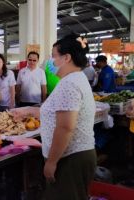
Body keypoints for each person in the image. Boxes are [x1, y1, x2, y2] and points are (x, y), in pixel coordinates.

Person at [40, 34, 96, 199]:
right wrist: (30, 110)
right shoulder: (76, 78)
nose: (51, 61)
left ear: (66, 58)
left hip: (69, 158)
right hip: (73, 156)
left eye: (53, 56)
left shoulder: (69, 84)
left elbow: (65, 127)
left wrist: (51, 162)